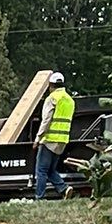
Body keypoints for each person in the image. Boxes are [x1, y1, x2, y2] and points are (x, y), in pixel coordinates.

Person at [33, 72, 75, 202]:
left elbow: (46, 120)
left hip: (49, 139)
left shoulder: (52, 98)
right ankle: (64, 188)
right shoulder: (70, 100)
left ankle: (39, 198)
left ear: (51, 85)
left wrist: (38, 138)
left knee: (41, 170)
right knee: (51, 170)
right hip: (62, 140)